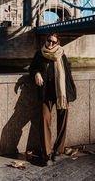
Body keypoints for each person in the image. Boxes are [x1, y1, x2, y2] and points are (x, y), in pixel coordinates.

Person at [29, 33, 76, 166]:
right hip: (46, 93)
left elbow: (67, 75)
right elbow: (32, 68)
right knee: (44, 120)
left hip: (61, 94)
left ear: (58, 44)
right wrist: (37, 73)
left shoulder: (62, 54)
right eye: (49, 41)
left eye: (53, 42)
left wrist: (69, 93)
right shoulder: (40, 54)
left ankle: (58, 151)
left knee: (63, 122)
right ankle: (47, 154)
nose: (50, 44)